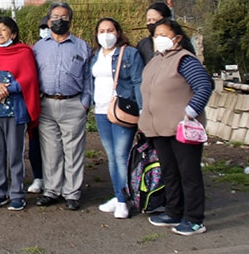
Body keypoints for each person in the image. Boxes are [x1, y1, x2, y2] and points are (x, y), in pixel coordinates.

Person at [140, 18, 212, 236]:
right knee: (170, 173)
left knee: (188, 174)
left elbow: (204, 86)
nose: (159, 39)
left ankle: (194, 219)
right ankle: (174, 211)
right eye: (156, 35)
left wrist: (190, 112)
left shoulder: (184, 60)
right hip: (159, 129)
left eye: (164, 35)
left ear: (177, 38)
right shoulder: (155, 61)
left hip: (182, 129)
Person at [0, 17, 40, 211]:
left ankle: (17, 193)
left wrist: (7, 89)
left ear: (13, 33)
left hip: (14, 113)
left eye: (3, 30)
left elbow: (29, 79)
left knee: (15, 153)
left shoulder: (23, 53)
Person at [33, 2, 92, 211]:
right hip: (46, 104)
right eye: (56, 16)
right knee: (50, 150)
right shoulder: (39, 47)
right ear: (49, 21)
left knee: (73, 150)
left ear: (70, 21)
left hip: (73, 103)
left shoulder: (82, 46)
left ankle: (72, 193)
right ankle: (51, 190)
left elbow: (88, 78)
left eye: (64, 17)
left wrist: (85, 103)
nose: (60, 20)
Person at [90, 17, 144, 219]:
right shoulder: (95, 55)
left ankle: (124, 201)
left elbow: (138, 81)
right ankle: (118, 195)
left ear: (118, 32)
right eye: (102, 30)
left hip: (123, 110)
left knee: (121, 156)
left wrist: (143, 109)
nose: (106, 34)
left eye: (110, 30)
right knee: (112, 156)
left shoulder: (129, 53)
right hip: (102, 111)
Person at [27, 16, 50, 194]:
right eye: (43, 27)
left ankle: (55, 178)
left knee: (55, 144)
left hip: (56, 101)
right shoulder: (35, 49)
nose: (45, 30)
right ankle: (38, 177)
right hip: (36, 100)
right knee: (35, 141)